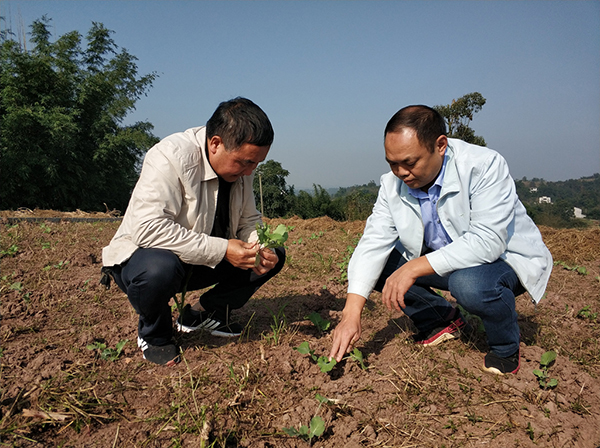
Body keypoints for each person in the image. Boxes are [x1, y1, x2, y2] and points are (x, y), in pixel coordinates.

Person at [329, 105, 552, 375]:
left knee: (469, 284)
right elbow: (372, 243)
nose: (400, 172)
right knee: (378, 265)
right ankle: (441, 319)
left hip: (502, 260)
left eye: (410, 163)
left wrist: (411, 268)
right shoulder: (392, 185)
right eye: (392, 163)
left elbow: (488, 242)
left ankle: (505, 347)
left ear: (440, 145)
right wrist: (351, 314)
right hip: (445, 259)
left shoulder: (484, 166)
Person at [101, 97, 285, 366]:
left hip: (200, 260)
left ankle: (202, 313)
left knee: (273, 255)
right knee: (157, 270)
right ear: (215, 143)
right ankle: (155, 335)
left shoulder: (241, 172)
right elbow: (148, 230)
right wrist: (223, 249)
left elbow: (249, 221)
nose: (250, 171)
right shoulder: (169, 157)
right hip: (146, 260)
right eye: (245, 162)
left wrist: (259, 244)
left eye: (256, 163)